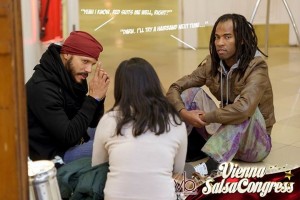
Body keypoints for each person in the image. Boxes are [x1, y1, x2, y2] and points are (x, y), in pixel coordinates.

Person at [166, 13, 275, 176]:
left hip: (254, 145)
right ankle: (170, 153)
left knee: (242, 108)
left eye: (227, 37)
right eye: (217, 37)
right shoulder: (212, 64)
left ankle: (211, 166)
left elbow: (243, 109)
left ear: (242, 39)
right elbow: (175, 88)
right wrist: (185, 113)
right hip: (224, 136)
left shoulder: (257, 66)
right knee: (189, 93)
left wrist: (206, 117)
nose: (219, 43)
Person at [92, 57, 187, 200]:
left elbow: (97, 167)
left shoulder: (108, 120)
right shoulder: (175, 122)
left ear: (119, 88)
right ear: (154, 84)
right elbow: (178, 170)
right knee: (188, 173)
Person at [26, 31, 110, 163]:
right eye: (85, 61)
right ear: (67, 54)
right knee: (110, 147)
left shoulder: (73, 74)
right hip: (54, 155)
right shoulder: (41, 88)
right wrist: (93, 98)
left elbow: (92, 122)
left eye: (92, 64)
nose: (88, 69)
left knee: (112, 131)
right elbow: (68, 136)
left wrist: (99, 98)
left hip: (75, 139)